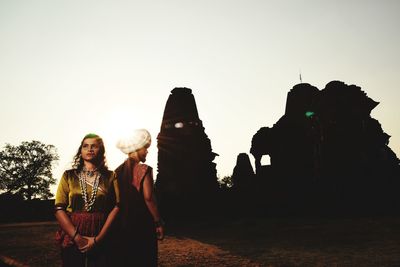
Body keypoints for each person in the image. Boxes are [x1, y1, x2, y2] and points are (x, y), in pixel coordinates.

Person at [54, 133, 119, 267]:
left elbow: (116, 207)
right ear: (81, 151)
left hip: (101, 230)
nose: (89, 149)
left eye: (94, 146)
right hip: (73, 231)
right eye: (85, 146)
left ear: (101, 151)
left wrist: (98, 239)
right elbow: (59, 208)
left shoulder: (110, 176)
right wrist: (77, 238)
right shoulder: (69, 175)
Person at [113, 128, 164, 267]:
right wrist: (158, 222)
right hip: (142, 223)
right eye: (145, 148)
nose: (147, 151)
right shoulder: (144, 169)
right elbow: (148, 197)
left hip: (122, 224)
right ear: (136, 148)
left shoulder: (116, 172)